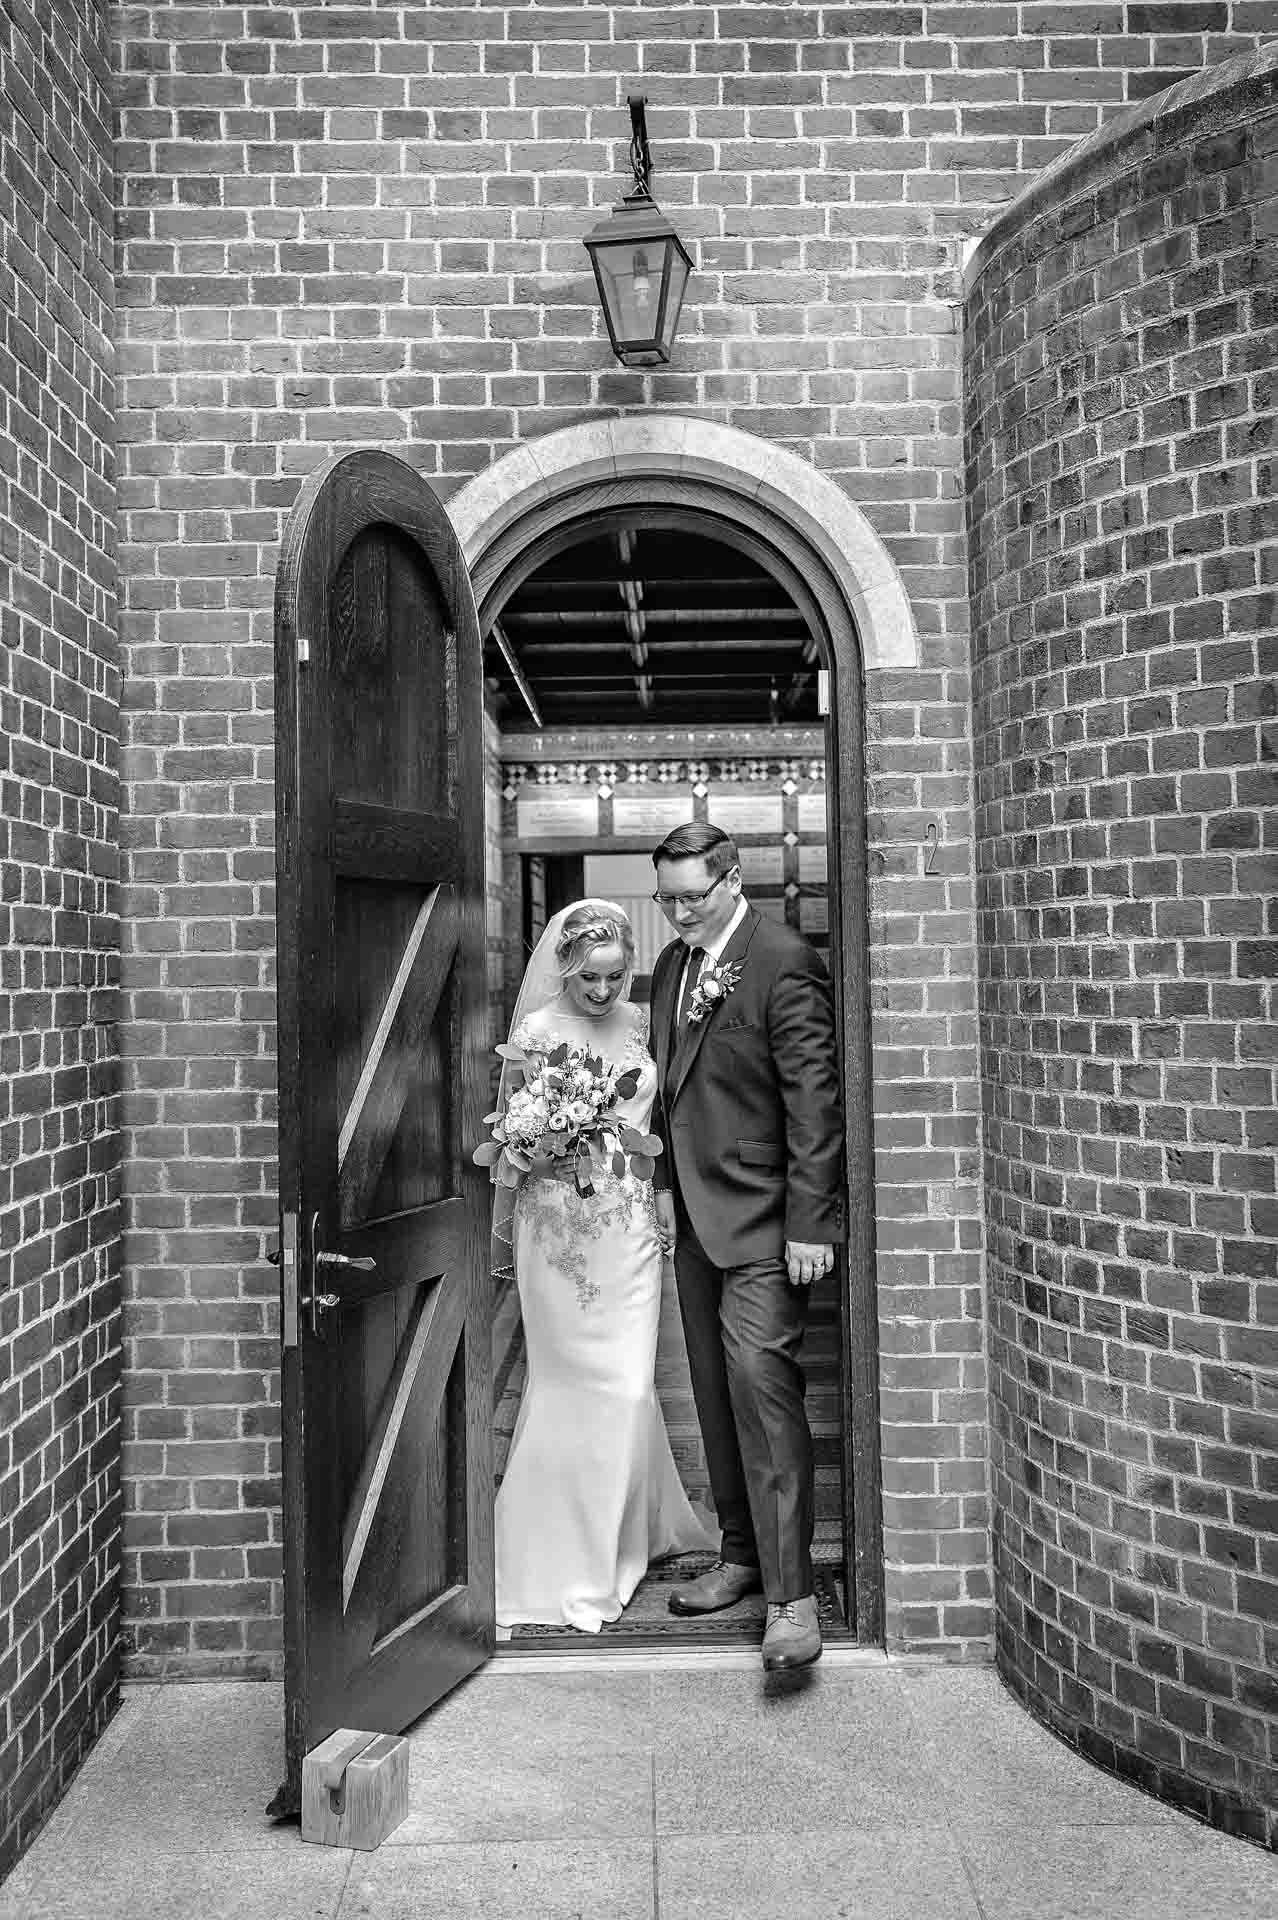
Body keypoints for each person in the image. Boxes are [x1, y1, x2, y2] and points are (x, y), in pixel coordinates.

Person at [648, 823, 845, 1671]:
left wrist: (811, 1223)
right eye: (668, 899)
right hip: (691, 1217)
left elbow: (815, 1101)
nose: (679, 913)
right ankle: (739, 1555)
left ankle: (792, 1599)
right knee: (714, 1392)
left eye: (693, 896)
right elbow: (670, 1090)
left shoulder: (784, 958)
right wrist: (661, 1189)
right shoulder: (670, 967)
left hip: (768, 1219)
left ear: (733, 880)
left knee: (765, 1391)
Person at [492, 898, 716, 1632]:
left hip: (628, 1229)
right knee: (571, 1385)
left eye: (615, 977)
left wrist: (663, 1199)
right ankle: (570, 1558)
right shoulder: (535, 1033)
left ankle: (624, 1534)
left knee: (625, 1387)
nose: (602, 993)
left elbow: (660, 1121)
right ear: (565, 966)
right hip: (559, 1232)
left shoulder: (638, 1021)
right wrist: (548, 1134)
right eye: (589, 979)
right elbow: (512, 1150)